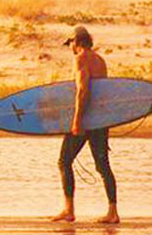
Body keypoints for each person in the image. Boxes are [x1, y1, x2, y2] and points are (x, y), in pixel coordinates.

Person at [50, 25, 119, 224]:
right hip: (100, 120)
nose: (70, 47)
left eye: (70, 43)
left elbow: (82, 91)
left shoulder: (80, 59)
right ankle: (113, 212)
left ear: (76, 42)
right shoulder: (100, 60)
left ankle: (69, 210)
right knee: (103, 166)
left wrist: (77, 121)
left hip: (85, 120)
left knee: (64, 162)